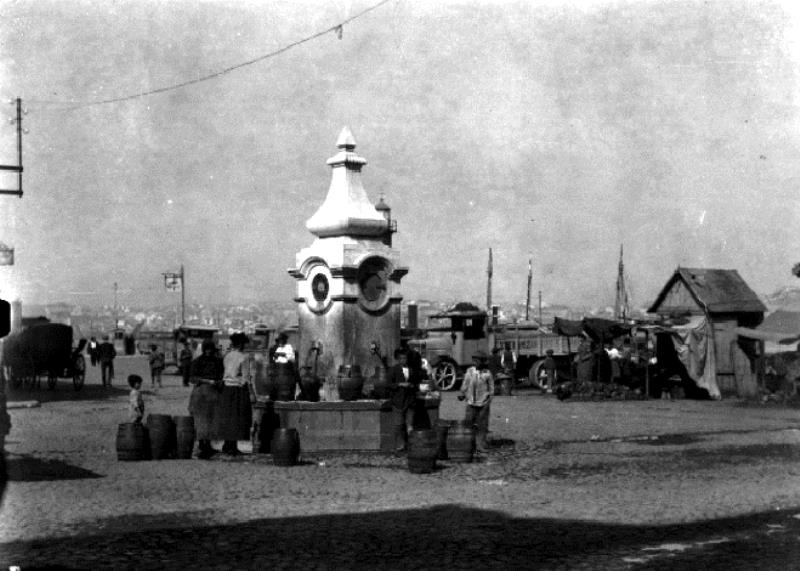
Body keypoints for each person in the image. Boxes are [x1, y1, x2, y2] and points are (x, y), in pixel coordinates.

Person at [213, 332, 253, 456]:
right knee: (237, 418)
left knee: (228, 417)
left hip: (226, 389)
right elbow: (246, 377)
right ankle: (233, 446)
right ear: (240, 344)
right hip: (238, 389)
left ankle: (227, 444)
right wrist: (251, 393)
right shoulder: (243, 357)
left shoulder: (227, 356)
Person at [188, 339, 224, 459]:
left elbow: (222, 377)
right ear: (204, 349)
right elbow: (192, 378)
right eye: (207, 349)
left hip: (212, 394)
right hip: (202, 394)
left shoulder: (218, 362)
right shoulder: (197, 361)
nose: (209, 351)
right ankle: (203, 446)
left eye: (210, 349)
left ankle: (207, 445)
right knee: (201, 420)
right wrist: (207, 381)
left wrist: (218, 382)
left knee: (211, 420)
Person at [459, 352, 494, 452]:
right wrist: (462, 394)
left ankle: (480, 445)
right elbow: (465, 385)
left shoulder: (487, 373)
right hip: (471, 403)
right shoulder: (470, 372)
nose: (475, 362)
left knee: (482, 425)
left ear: (482, 362)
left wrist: (488, 402)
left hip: (483, 403)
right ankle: (468, 445)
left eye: (477, 360)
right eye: (474, 360)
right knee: (468, 424)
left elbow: (491, 390)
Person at [387, 348, 418, 453]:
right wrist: (400, 384)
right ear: (398, 359)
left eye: (405, 358)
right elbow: (389, 384)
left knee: (410, 424)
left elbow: (416, 382)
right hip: (398, 401)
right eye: (401, 358)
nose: (403, 360)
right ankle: (400, 444)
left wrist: (412, 386)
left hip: (410, 400)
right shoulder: (393, 370)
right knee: (399, 425)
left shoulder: (411, 370)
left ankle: (411, 444)